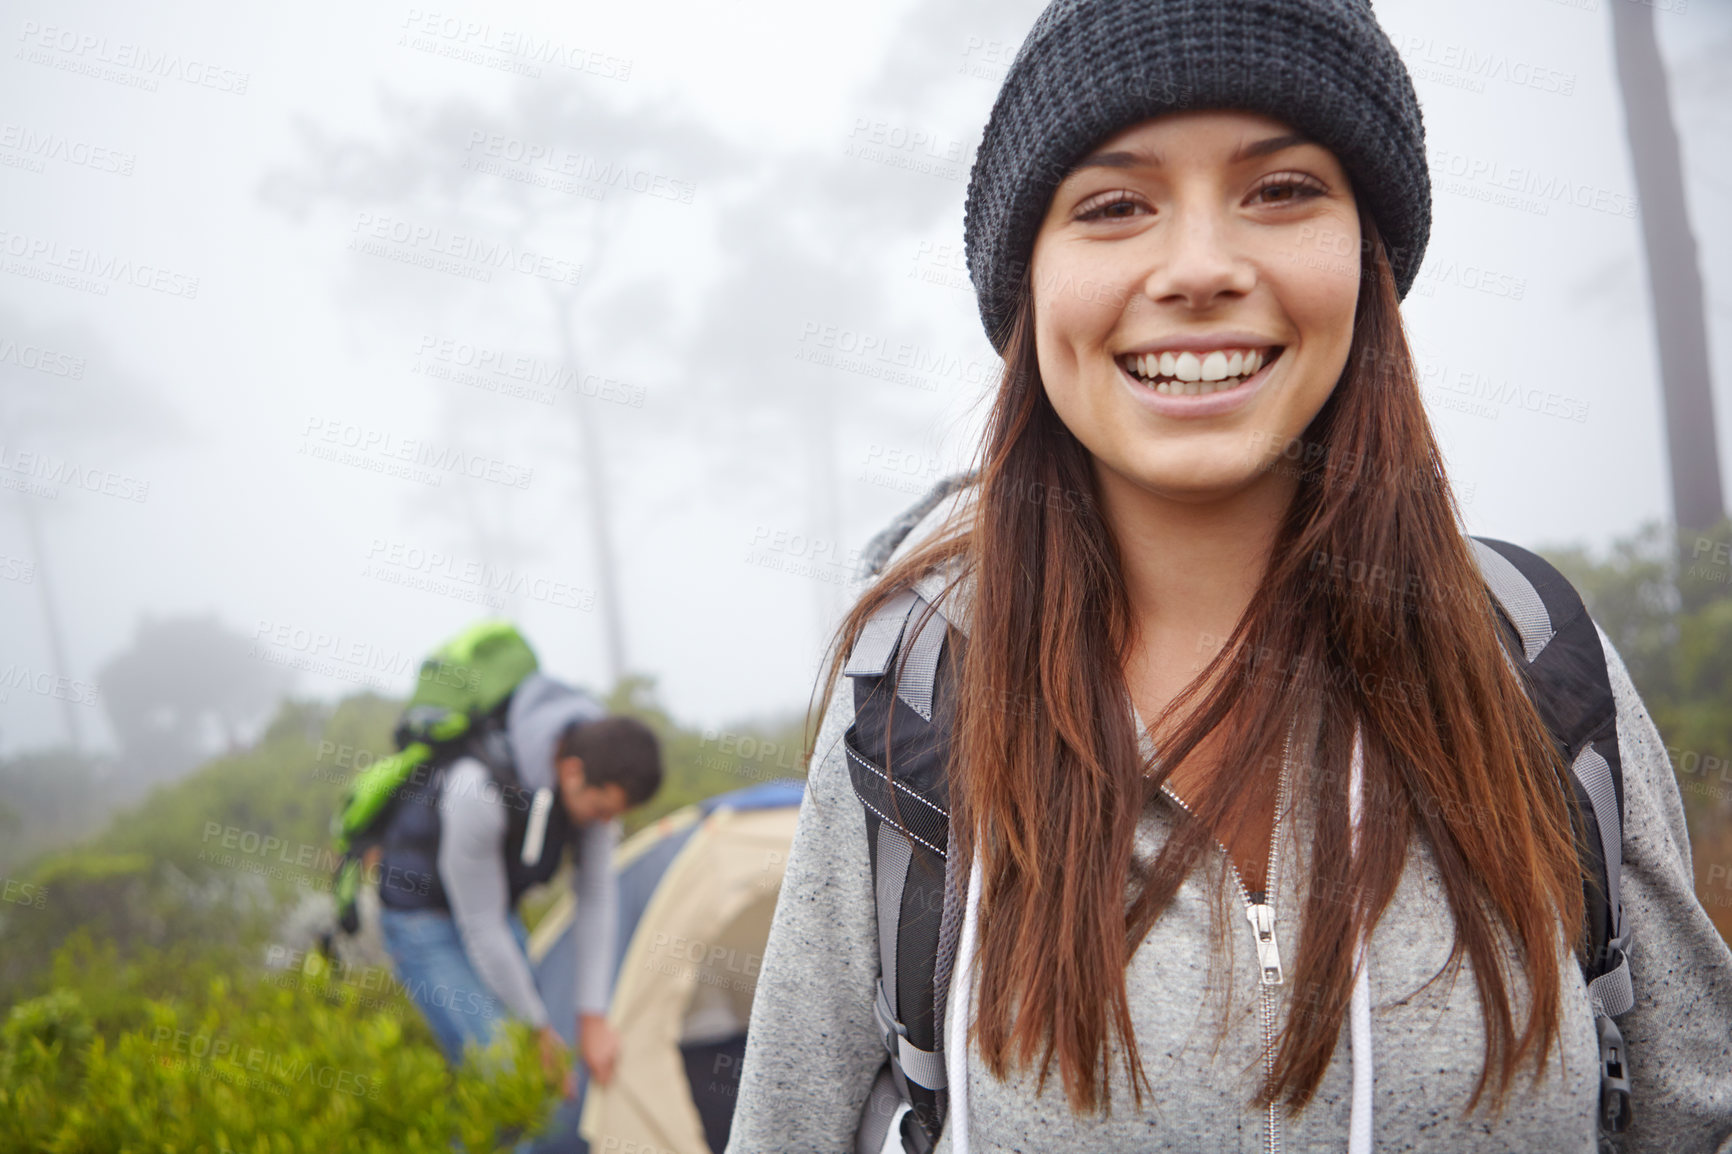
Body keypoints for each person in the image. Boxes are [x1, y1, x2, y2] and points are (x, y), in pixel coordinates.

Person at [725, 0, 1732, 1151]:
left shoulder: (1534, 655)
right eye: (1113, 206)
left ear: (1369, 256)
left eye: (1281, 190)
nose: (1199, 268)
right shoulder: (912, 696)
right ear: (1028, 285)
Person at [375, 668, 663, 1100]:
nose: (607, 823)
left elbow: (597, 898)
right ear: (571, 772)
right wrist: (537, 1030)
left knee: (539, 1075)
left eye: (615, 814)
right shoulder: (478, 789)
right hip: (423, 918)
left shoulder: (594, 781)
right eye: (602, 809)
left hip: (489, 908)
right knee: (509, 1078)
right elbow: (481, 927)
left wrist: (593, 1017)